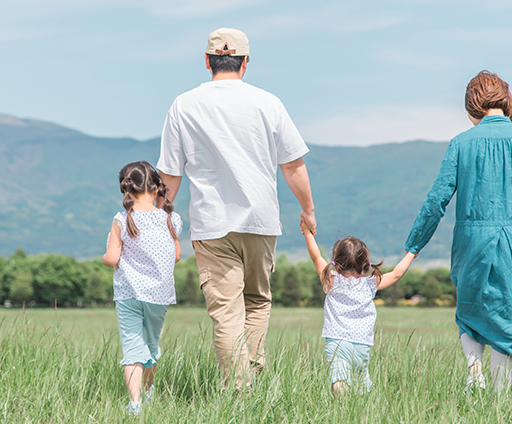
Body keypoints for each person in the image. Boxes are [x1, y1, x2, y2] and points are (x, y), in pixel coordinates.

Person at [156, 28, 315, 389]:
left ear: (207, 62)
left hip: (211, 225)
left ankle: (238, 391)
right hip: (261, 221)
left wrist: (160, 218)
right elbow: (292, 165)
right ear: (245, 62)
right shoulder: (268, 102)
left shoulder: (183, 104)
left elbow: (170, 174)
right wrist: (308, 209)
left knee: (226, 313)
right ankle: (251, 387)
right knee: (257, 302)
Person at [404, 70, 512, 392]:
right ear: (506, 102)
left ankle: (474, 372)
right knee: (510, 314)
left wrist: (414, 246)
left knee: (469, 309)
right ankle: (499, 394)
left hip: (472, 240)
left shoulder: (461, 143)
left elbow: (437, 199)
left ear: (472, 106)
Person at [102, 161, 182, 415]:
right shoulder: (171, 219)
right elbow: (177, 255)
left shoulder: (122, 219)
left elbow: (112, 258)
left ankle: (134, 404)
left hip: (128, 294)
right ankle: (149, 394)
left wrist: (106, 254)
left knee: (133, 348)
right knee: (151, 345)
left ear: (126, 189)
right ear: (157, 188)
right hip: (159, 295)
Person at [302, 225, 416, 393]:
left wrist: (307, 233)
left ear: (337, 262)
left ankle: (342, 409)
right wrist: (411, 254)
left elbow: (316, 257)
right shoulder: (370, 284)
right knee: (361, 380)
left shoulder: (331, 279)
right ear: (364, 264)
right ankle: (364, 409)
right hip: (362, 344)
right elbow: (396, 274)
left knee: (339, 380)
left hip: (337, 341)